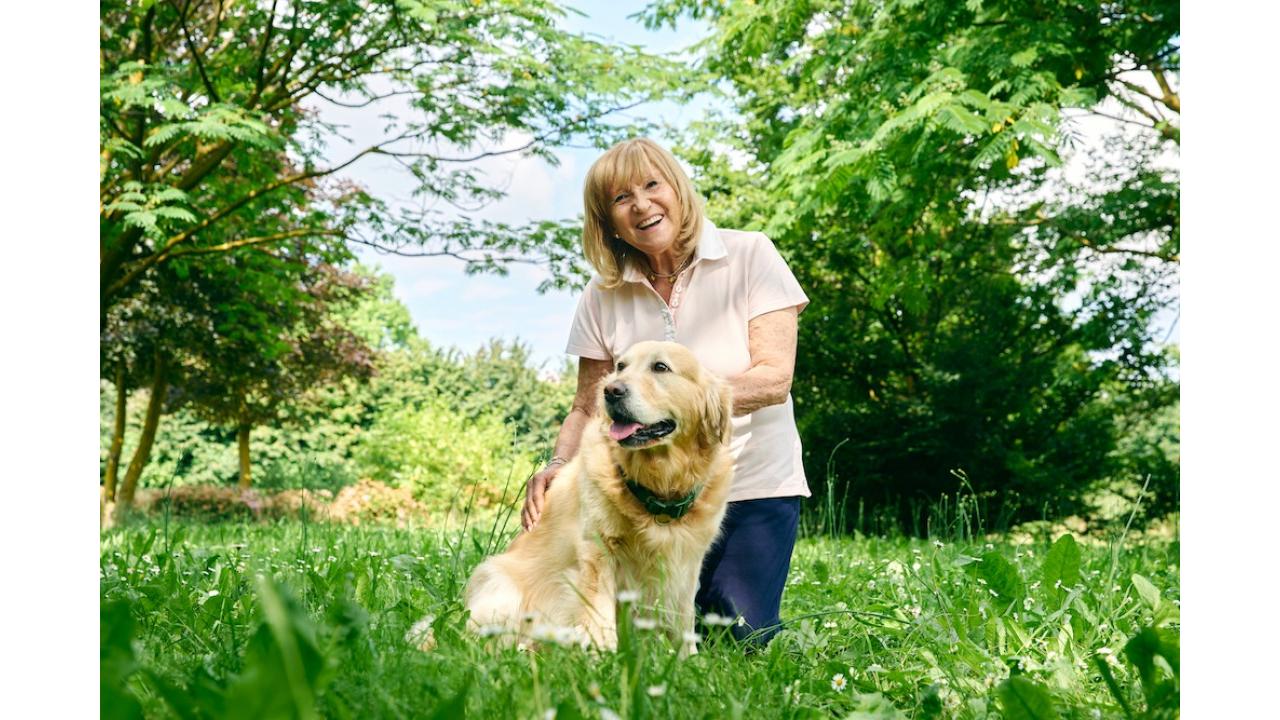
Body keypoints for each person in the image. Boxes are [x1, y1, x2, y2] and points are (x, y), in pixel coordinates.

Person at [520, 137, 809, 645]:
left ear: (678, 188)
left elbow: (773, 378)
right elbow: (588, 404)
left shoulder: (751, 254)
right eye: (620, 198)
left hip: (750, 487)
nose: (642, 205)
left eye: (652, 185)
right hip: (641, 497)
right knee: (632, 635)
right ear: (607, 220)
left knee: (739, 637)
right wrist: (557, 467)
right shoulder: (602, 295)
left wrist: (674, 403)